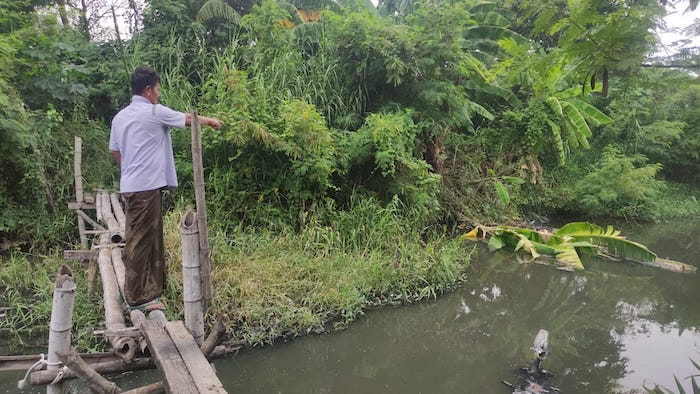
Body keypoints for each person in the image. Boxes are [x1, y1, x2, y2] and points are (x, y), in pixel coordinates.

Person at [109, 66, 222, 313]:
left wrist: (130, 169)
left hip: (132, 186)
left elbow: (115, 151)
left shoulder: (120, 117)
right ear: (148, 90)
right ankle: (135, 297)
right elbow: (188, 119)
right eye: (157, 89)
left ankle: (152, 288)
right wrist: (211, 121)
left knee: (149, 238)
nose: (159, 94)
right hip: (146, 188)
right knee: (139, 241)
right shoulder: (153, 112)